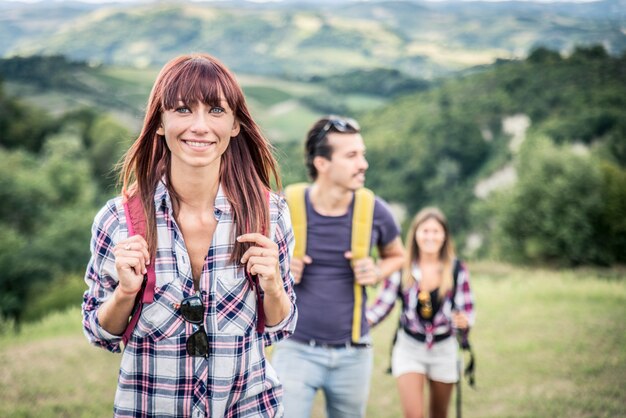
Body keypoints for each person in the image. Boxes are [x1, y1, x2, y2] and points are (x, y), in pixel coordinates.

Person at [81, 53, 297, 418]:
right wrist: (125, 293)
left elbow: (280, 326)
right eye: (183, 110)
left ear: (234, 125)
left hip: (247, 407)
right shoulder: (118, 219)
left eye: (215, 111)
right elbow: (100, 333)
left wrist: (274, 285)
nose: (200, 126)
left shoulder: (269, 214)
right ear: (160, 122)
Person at [270, 115, 405, 418]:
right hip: (294, 348)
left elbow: (398, 255)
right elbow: (250, 262)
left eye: (363, 154)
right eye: (352, 156)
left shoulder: (374, 209)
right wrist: (279, 268)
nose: (363, 164)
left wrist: (377, 271)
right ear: (322, 163)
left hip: (353, 354)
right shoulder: (283, 206)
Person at [367, 207, 475, 418]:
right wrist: (357, 325)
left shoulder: (456, 269)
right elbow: (382, 305)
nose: (430, 236)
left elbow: (466, 309)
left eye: (436, 231)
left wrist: (464, 321)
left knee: (439, 414)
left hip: (444, 348)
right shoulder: (402, 267)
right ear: (415, 234)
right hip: (409, 347)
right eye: (425, 231)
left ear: (444, 236)